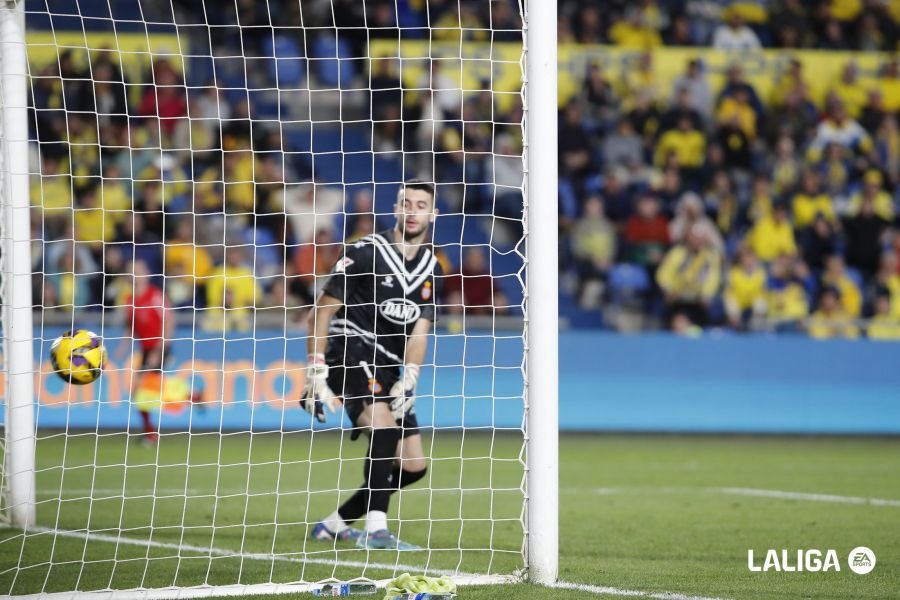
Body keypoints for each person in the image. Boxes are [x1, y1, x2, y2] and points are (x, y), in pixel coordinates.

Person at [302, 180, 442, 551]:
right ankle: (377, 530)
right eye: (406, 203)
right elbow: (321, 312)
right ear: (395, 209)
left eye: (421, 204)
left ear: (433, 214)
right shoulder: (365, 251)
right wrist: (315, 371)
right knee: (384, 432)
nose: (412, 211)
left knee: (413, 466)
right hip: (349, 354)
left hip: (390, 370)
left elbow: (419, 333)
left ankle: (333, 525)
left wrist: (409, 379)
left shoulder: (432, 268)